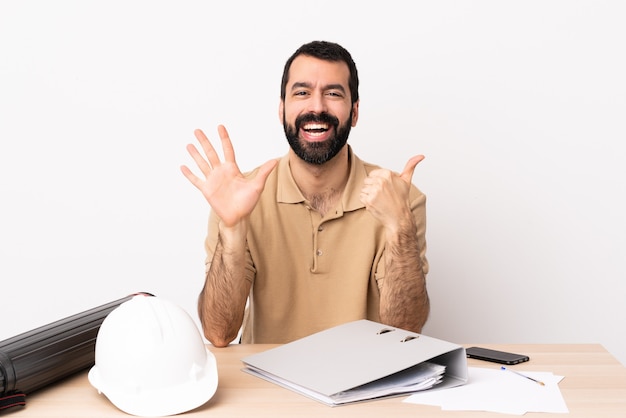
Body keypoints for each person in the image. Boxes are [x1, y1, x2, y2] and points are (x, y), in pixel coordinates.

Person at [181, 40, 429, 347]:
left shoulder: (399, 199)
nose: (317, 107)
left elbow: (407, 330)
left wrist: (399, 227)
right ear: (282, 108)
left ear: (354, 112)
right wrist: (232, 228)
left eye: (333, 93)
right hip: (268, 387)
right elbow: (219, 333)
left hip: (366, 385)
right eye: (302, 92)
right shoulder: (240, 196)